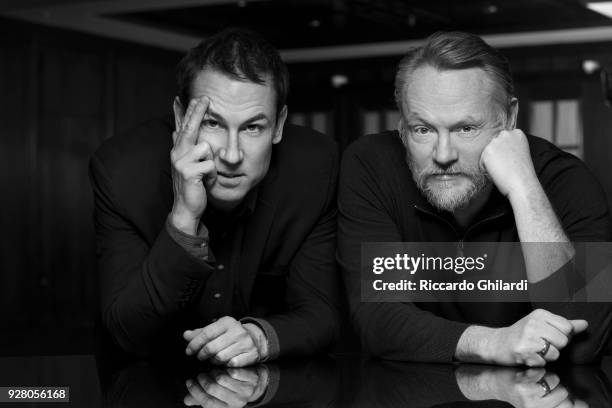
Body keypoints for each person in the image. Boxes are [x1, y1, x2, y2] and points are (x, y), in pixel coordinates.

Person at [338, 31, 612, 366]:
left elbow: (585, 341)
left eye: (465, 129)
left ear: (509, 119)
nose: (443, 155)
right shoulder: (371, 166)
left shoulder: (565, 179)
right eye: (422, 130)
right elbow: (378, 319)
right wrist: (493, 342)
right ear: (402, 126)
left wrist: (524, 188)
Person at [89, 28, 340, 366]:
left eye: (253, 127)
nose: (232, 154)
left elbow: (323, 315)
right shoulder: (121, 173)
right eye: (212, 123)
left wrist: (260, 337)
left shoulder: (315, 170)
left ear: (278, 125)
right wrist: (183, 219)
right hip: (149, 384)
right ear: (181, 117)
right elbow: (126, 332)